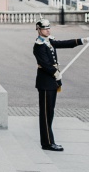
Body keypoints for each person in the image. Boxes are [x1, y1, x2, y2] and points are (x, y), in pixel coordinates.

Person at [33, 18, 88, 151]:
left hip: (51, 82)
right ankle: (47, 143)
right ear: (39, 30)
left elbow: (63, 43)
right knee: (46, 114)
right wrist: (55, 73)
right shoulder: (39, 45)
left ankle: (49, 141)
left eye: (48, 28)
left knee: (50, 113)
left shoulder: (48, 41)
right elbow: (45, 64)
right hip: (46, 83)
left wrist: (81, 40)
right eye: (45, 28)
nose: (48, 30)